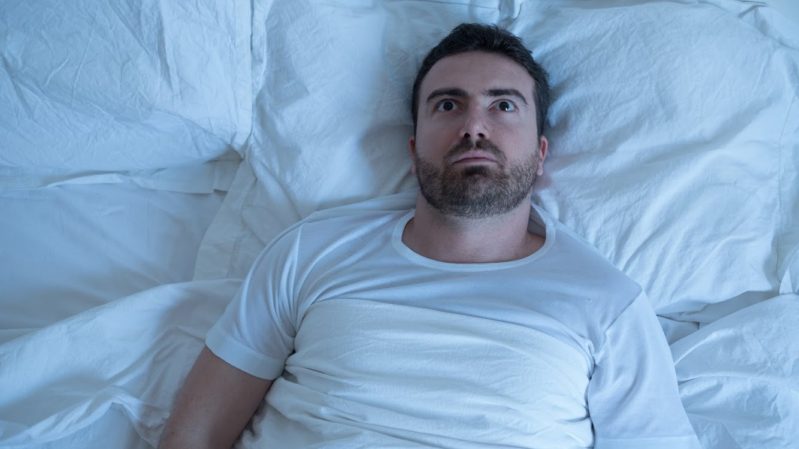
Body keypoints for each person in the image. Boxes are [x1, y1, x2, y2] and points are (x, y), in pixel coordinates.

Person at [159, 23, 701, 449]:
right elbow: (195, 435)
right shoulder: (311, 252)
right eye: (448, 104)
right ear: (414, 146)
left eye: (503, 105)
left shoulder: (608, 304)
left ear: (540, 155)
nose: (474, 126)